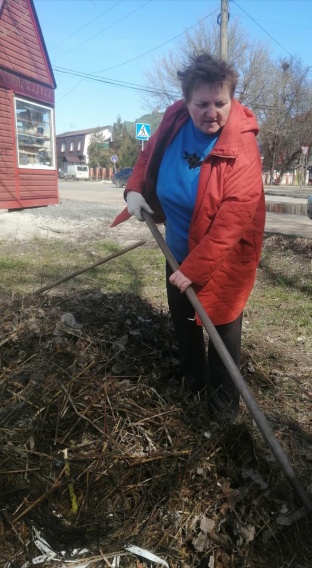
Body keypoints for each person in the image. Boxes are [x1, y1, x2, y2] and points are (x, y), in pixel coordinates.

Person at [112, 52, 266, 422]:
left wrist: (193, 269)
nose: (211, 111)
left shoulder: (241, 147)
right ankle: (192, 380)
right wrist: (134, 189)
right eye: (202, 103)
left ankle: (224, 406)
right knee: (183, 319)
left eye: (220, 103)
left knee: (222, 329)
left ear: (232, 99)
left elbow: (233, 220)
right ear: (185, 101)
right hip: (178, 245)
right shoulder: (175, 118)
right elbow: (150, 154)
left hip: (224, 260)